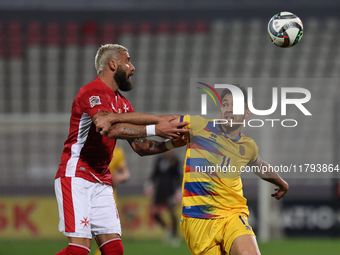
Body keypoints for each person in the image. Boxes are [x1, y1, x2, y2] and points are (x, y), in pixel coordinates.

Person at [95, 84, 289, 255]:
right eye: (225, 104)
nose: (229, 109)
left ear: (247, 112)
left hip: (232, 214)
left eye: (235, 105)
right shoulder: (198, 127)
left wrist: (281, 183)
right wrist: (114, 117)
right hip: (197, 221)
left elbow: (260, 165)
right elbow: (160, 120)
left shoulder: (248, 146)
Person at [54, 44, 189, 255]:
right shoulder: (91, 92)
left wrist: (170, 144)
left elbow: (141, 146)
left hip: (102, 180)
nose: (133, 67)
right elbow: (108, 128)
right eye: (128, 61)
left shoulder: (123, 104)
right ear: (113, 64)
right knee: (78, 250)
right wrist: (157, 126)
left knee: (115, 250)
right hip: (77, 175)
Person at [147, 150, 182, 245]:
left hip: (170, 190)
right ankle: (168, 230)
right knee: (155, 213)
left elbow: (179, 176)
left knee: (172, 212)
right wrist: (149, 184)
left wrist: (179, 190)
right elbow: (155, 173)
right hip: (160, 190)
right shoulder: (159, 159)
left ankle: (175, 236)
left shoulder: (175, 160)